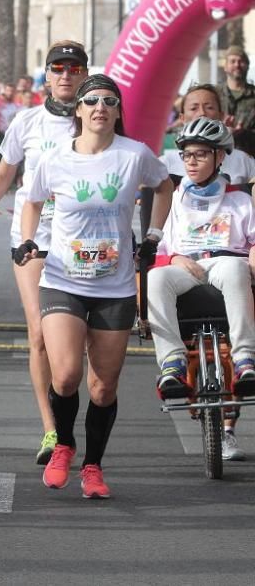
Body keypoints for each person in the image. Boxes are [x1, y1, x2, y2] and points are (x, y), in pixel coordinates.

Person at [15, 73, 172, 499]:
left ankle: (93, 467)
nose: (100, 107)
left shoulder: (134, 155)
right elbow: (31, 200)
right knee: (66, 376)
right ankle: (64, 442)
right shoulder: (55, 158)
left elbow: (164, 185)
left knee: (103, 386)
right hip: (63, 279)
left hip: (115, 285)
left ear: (118, 111)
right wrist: (29, 240)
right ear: (78, 111)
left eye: (109, 101)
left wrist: (154, 234)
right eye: (91, 101)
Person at [0, 40, 90, 465]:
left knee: (74, 341)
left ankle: (71, 409)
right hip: (33, 237)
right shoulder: (27, 121)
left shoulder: (98, 118)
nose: (66, 76)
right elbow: (4, 173)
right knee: (38, 332)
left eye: (74, 68)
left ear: (84, 74)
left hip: (84, 240)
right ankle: (52, 430)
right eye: (58, 68)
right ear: (47, 76)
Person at [148, 117, 255, 461]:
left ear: (220, 157)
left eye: (201, 155)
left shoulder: (240, 199)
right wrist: (175, 259)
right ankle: (173, 365)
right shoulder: (174, 198)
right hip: (186, 266)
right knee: (155, 278)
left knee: (237, 267)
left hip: (227, 262)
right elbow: (159, 248)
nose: (191, 162)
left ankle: (244, 359)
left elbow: (253, 243)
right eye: (187, 155)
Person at [162, 83, 255, 185]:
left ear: (221, 115)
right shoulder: (165, 164)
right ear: (182, 118)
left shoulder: (243, 161)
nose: (202, 113)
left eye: (209, 107)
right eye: (194, 108)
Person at [218, 45, 255, 145]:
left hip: (249, 153)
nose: (237, 65)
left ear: (247, 66)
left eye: (241, 61)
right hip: (219, 153)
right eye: (232, 61)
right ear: (225, 67)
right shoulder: (214, 94)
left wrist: (245, 134)